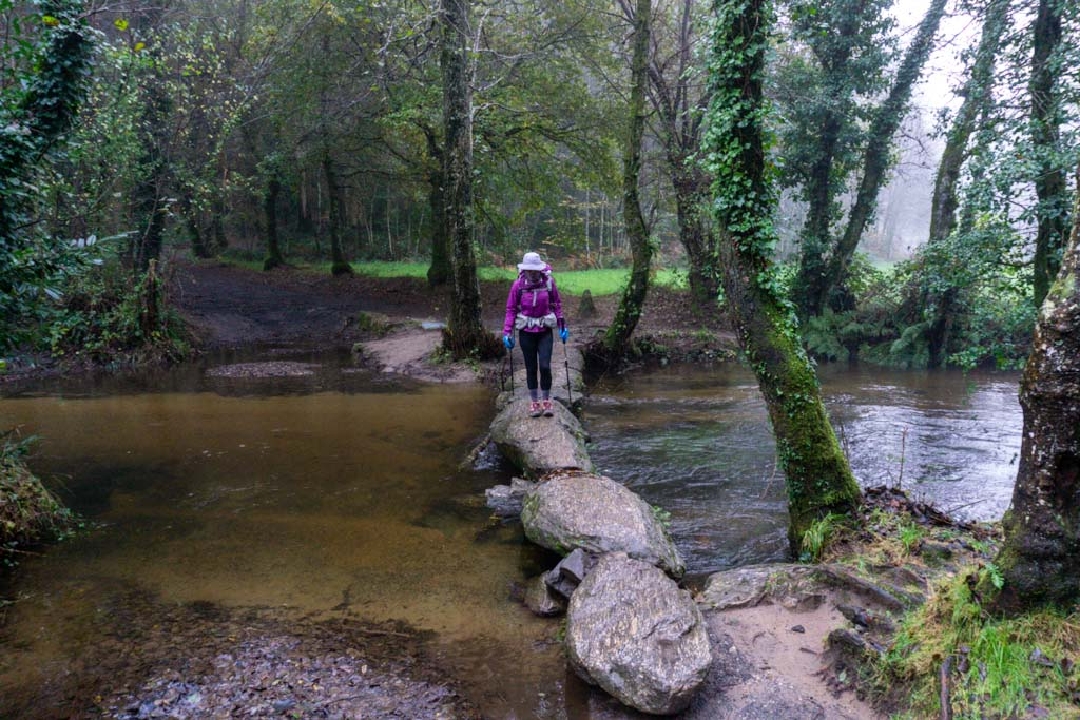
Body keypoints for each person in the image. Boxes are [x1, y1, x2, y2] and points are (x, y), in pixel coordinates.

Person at [503, 251, 569, 417]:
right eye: (529, 270)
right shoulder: (518, 286)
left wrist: (562, 326)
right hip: (526, 332)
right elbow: (511, 310)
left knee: (545, 366)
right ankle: (534, 402)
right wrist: (507, 332)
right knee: (531, 368)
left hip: (545, 331)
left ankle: (546, 401)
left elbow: (557, 305)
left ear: (540, 270)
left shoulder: (549, 283)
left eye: (534, 270)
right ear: (524, 270)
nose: (532, 273)